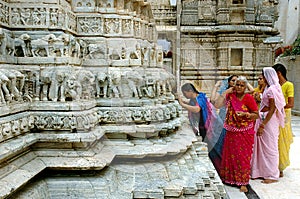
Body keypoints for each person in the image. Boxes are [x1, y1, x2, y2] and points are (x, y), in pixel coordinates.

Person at [215, 76, 258, 192]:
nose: (239, 87)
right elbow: (217, 105)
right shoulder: (230, 96)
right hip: (231, 131)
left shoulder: (249, 98)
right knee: (230, 154)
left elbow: (256, 114)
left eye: (241, 85)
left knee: (243, 156)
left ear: (245, 87)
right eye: (237, 84)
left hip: (245, 132)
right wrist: (226, 91)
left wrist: (246, 115)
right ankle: (228, 178)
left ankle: (243, 182)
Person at [251, 67, 286, 184]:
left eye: (263, 75)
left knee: (270, 147)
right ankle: (260, 171)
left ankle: (272, 174)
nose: (261, 78)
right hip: (263, 118)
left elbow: (272, 109)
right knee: (261, 147)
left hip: (269, 121)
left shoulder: (273, 89)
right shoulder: (267, 88)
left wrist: (263, 125)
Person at [178, 83, 223, 172]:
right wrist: (182, 101)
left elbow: (197, 109)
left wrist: (182, 105)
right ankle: (216, 167)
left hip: (210, 127)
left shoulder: (200, 98)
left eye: (185, 93)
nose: (184, 95)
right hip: (204, 126)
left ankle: (220, 168)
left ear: (190, 91)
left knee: (214, 147)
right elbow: (192, 104)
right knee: (209, 147)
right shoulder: (196, 98)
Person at [272, 63, 294, 177]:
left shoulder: (288, 85)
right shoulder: (275, 86)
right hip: (274, 115)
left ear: (278, 73)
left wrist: (277, 106)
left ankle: (280, 167)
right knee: (273, 141)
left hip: (284, 116)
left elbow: (290, 104)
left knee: (282, 141)